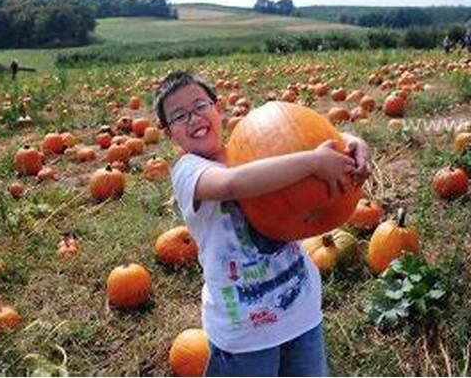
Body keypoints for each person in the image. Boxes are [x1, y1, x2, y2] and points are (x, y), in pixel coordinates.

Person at [154, 72, 371, 377]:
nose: (193, 118)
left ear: (218, 108)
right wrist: (312, 162)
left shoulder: (249, 148)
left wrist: (352, 143)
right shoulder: (188, 172)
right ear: (169, 134)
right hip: (243, 333)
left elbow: (303, 141)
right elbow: (233, 184)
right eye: (179, 115)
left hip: (302, 314)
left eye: (200, 106)